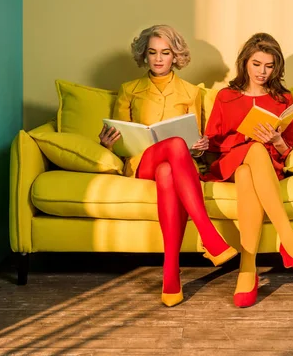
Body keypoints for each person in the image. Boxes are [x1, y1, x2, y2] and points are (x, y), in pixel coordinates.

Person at [99, 24, 237, 308]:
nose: (159, 59)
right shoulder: (129, 91)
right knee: (173, 146)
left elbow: (194, 146)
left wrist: (199, 147)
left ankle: (171, 273)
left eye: (165, 52)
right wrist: (106, 142)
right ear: (144, 56)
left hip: (175, 164)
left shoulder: (191, 92)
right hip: (141, 163)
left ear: (176, 56)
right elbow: (119, 141)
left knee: (169, 166)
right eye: (152, 53)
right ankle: (209, 235)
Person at [202, 32, 293, 308]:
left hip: (265, 167)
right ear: (245, 62)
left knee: (249, 169)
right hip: (229, 161)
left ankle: (248, 268)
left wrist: (277, 140)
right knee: (251, 150)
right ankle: (288, 238)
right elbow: (213, 144)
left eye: (269, 66)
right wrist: (247, 137)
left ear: (276, 67)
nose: (262, 72)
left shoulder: (283, 98)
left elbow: (289, 150)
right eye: (256, 64)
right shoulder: (226, 96)